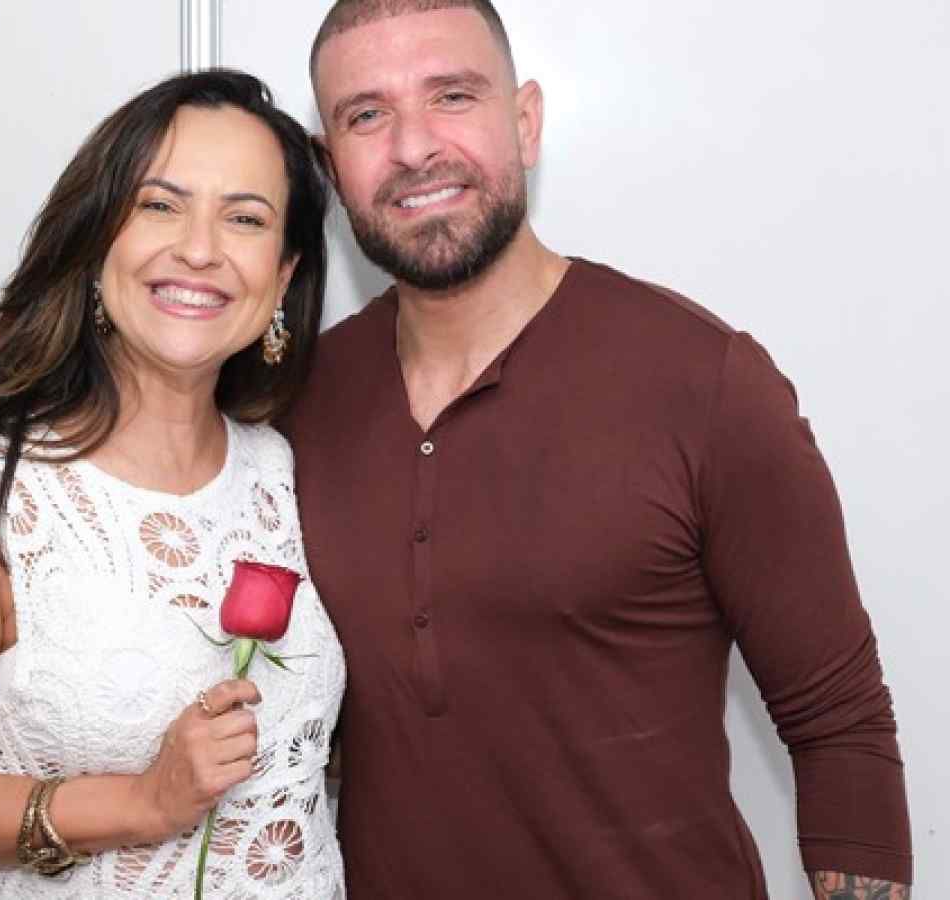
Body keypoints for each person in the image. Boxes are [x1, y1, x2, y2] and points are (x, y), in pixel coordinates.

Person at [283, 2, 913, 898]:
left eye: (452, 95)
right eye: (367, 114)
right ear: (329, 163)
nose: (414, 147)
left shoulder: (703, 382)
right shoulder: (300, 404)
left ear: (526, 121)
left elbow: (839, 723)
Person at [0, 70, 346, 899]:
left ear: (283, 276)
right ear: (96, 241)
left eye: (245, 218)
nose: (200, 249)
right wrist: (139, 804)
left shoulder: (288, 473)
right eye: (160, 205)